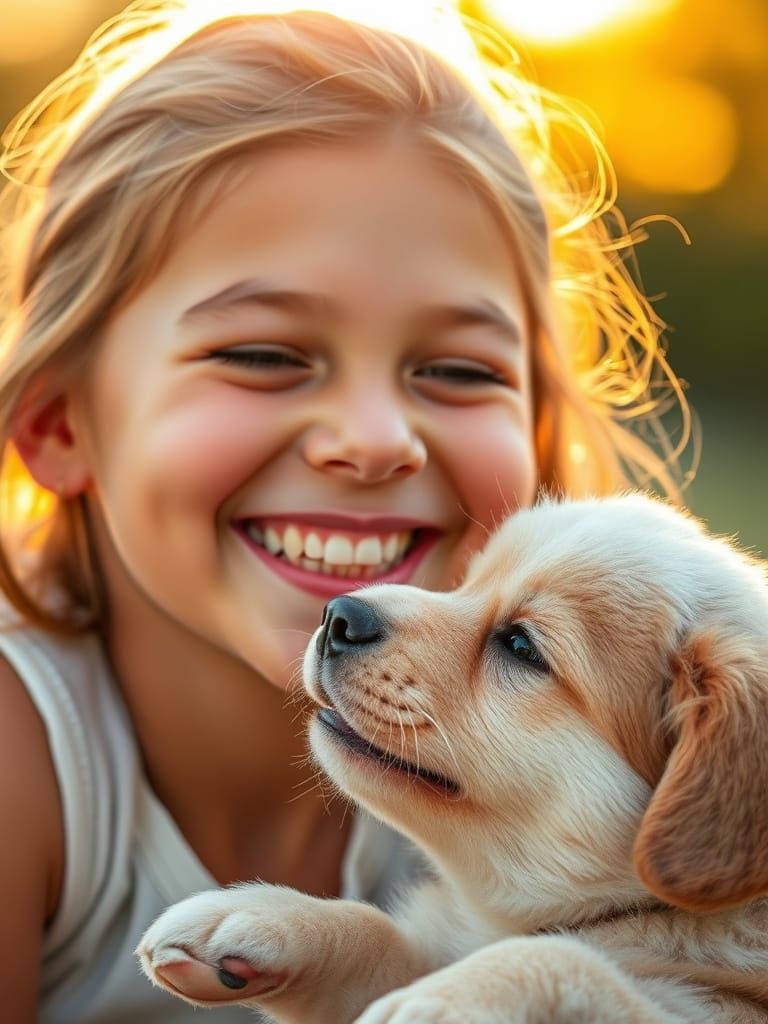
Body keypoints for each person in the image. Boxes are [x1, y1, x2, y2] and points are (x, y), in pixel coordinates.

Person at [0, 1, 690, 1020]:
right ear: (61, 421)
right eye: (265, 353)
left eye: (456, 370)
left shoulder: (586, 783)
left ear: (540, 440)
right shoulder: (26, 761)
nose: (376, 438)